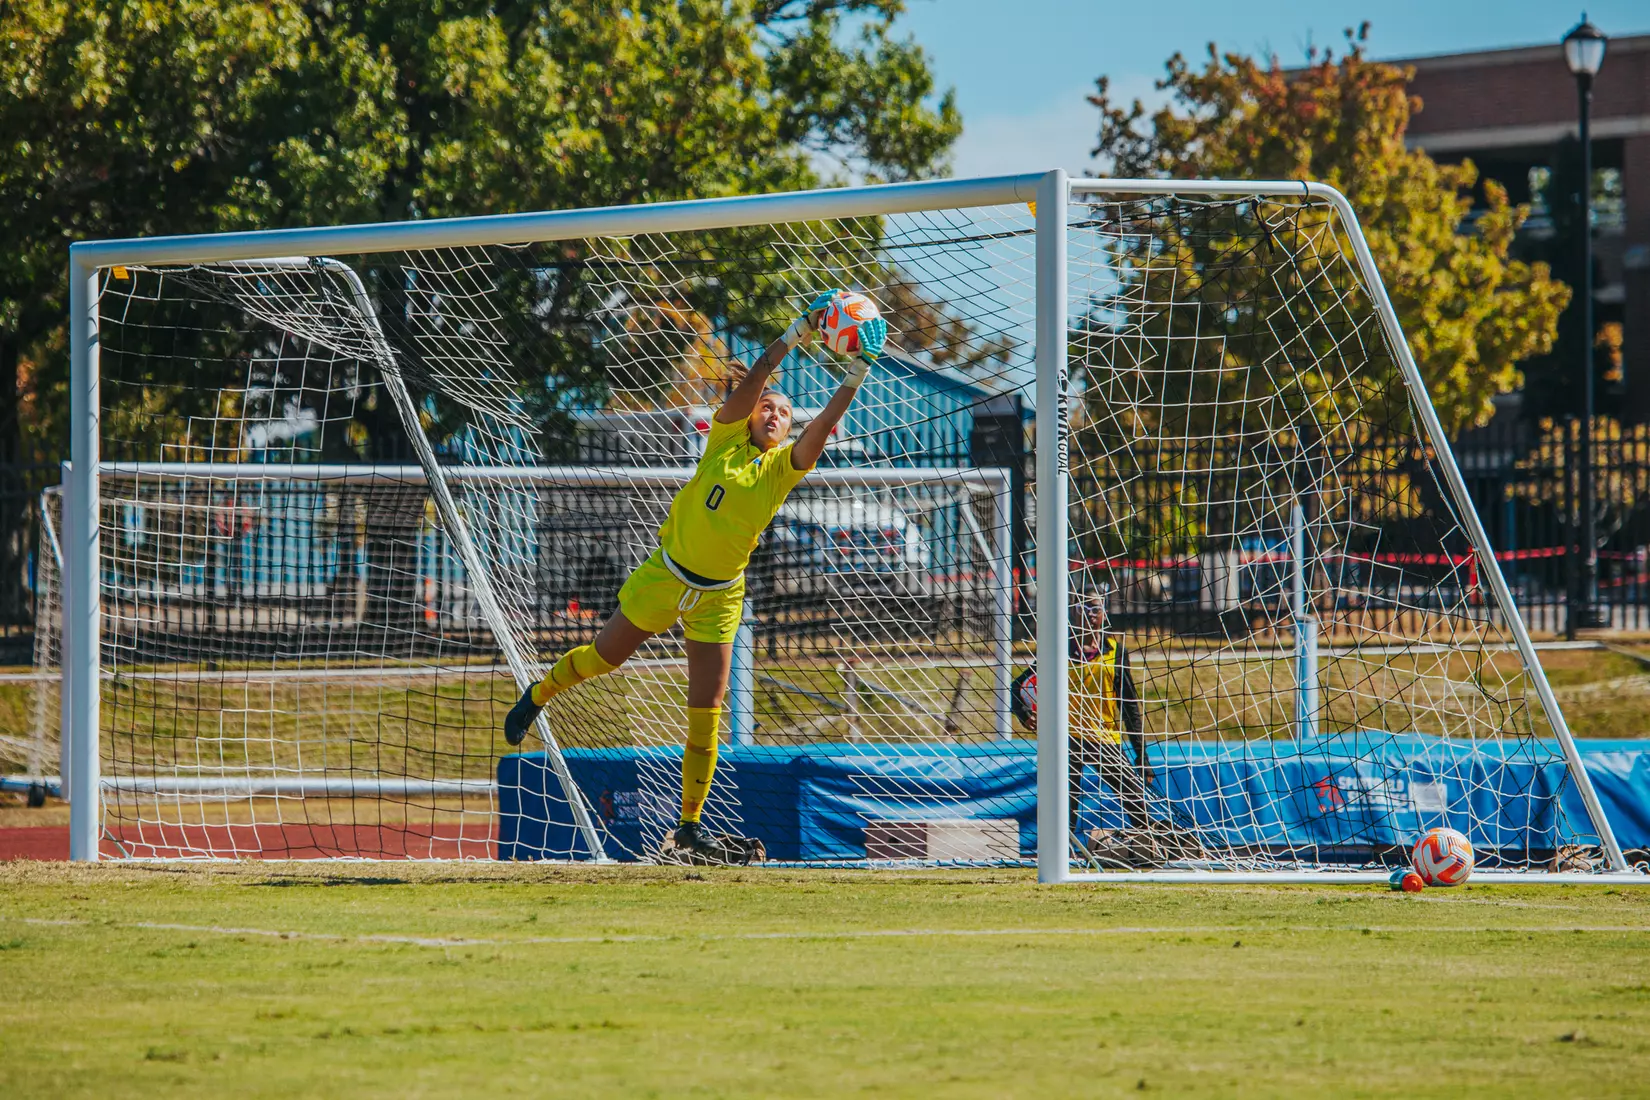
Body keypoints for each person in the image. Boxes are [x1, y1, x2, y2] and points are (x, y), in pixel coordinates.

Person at [504, 289, 884, 864]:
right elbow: (758, 373)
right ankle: (540, 692)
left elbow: (826, 424)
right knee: (606, 657)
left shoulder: (783, 470)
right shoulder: (726, 438)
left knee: (706, 707)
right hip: (666, 575)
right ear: (750, 412)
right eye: (768, 408)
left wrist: (855, 371)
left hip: (720, 594)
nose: (774, 414)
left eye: (784, 412)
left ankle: (687, 827)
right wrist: (798, 331)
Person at [1010, 591, 1152, 842]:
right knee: (1065, 804)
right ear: (1074, 612)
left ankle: (1148, 845)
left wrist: (1142, 756)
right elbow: (1017, 686)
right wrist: (1024, 715)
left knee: (1133, 796)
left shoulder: (1116, 652)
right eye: (1083, 608)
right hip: (1067, 739)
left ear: (1105, 613)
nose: (1089, 614)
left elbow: (1129, 706)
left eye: (1095, 608)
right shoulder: (1058, 649)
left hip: (1104, 737)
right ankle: (1061, 855)